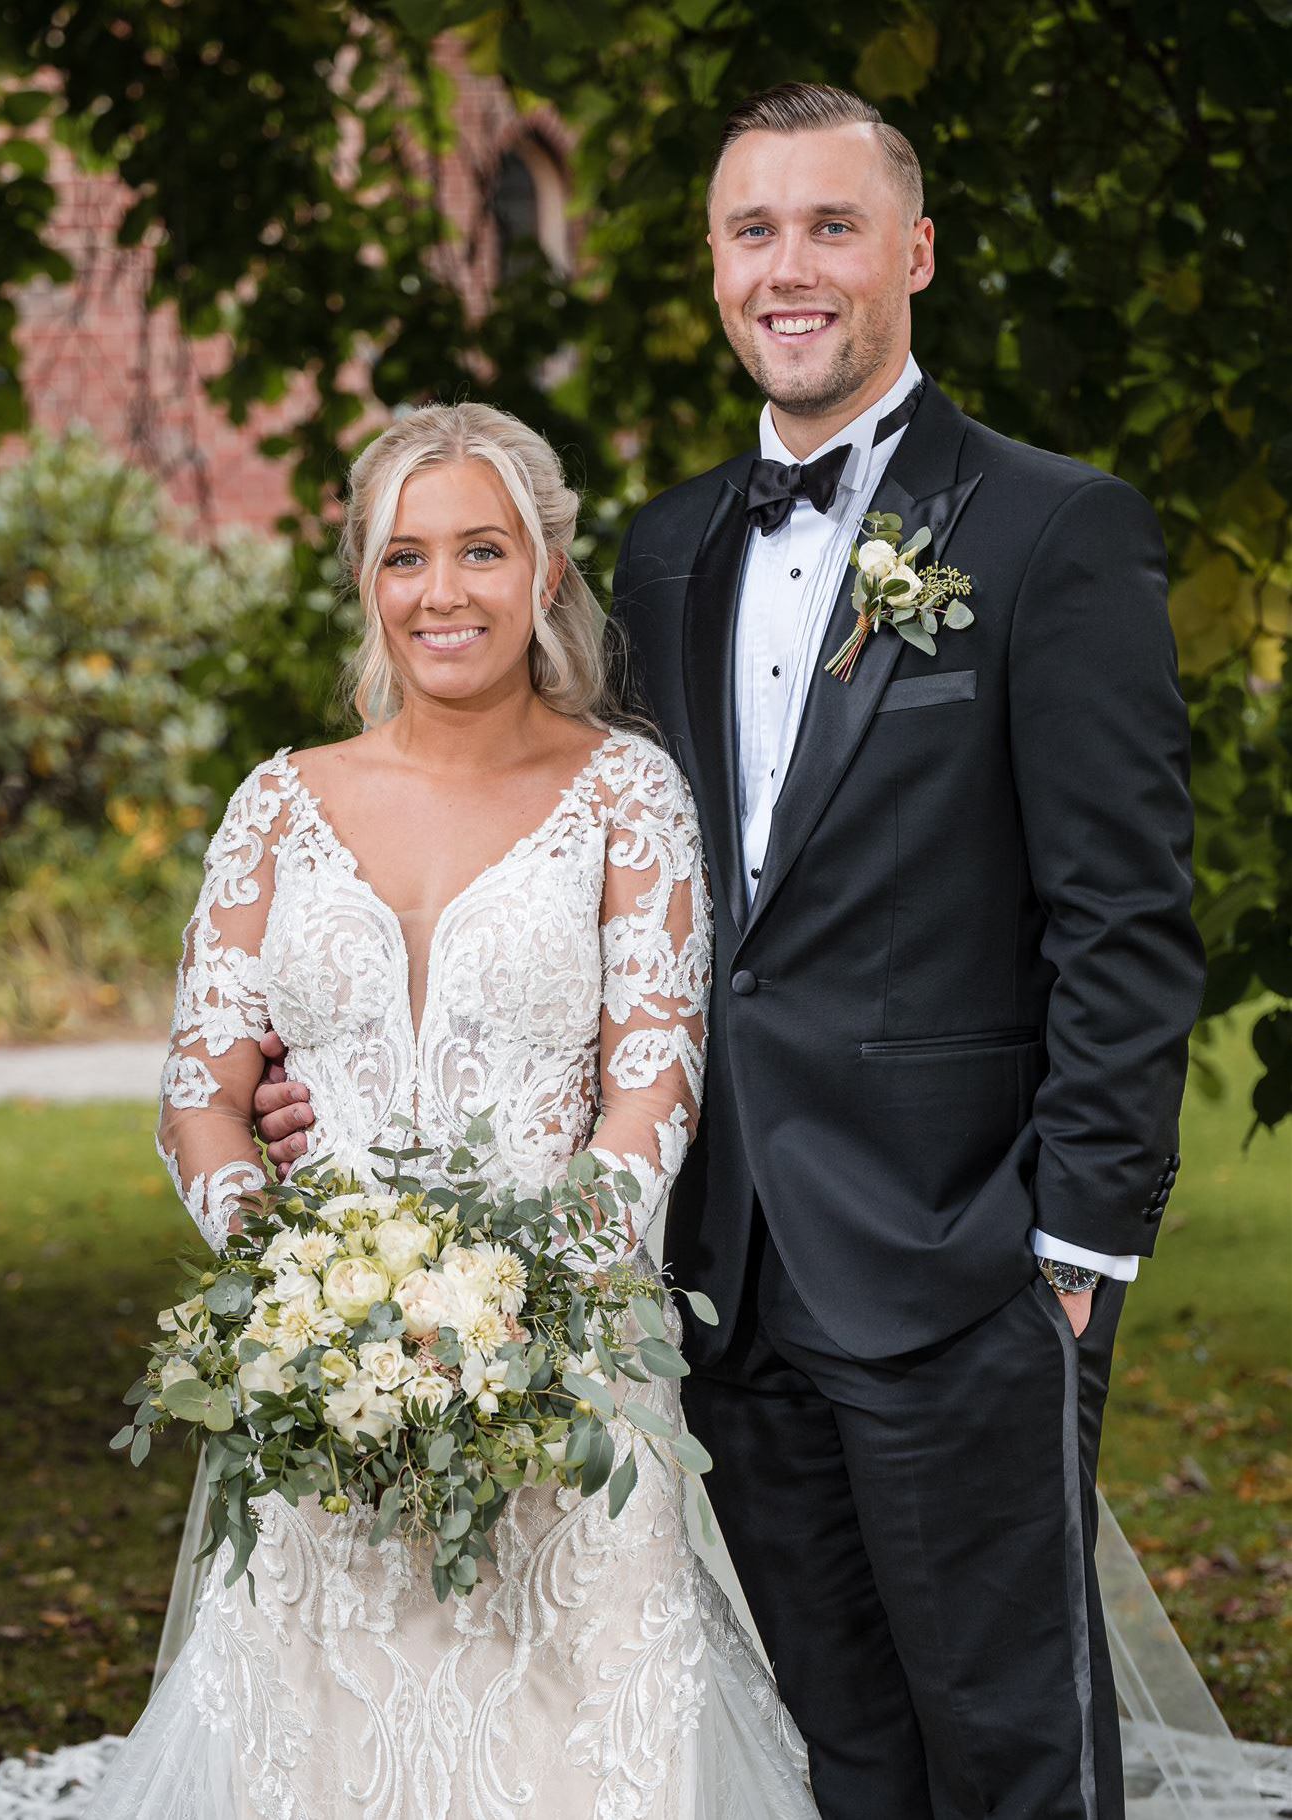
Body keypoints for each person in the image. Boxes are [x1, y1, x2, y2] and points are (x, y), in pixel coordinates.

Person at [252, 84, 1209, 1820]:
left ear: (913, 254)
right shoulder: (671, 548)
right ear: (712, 264)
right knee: (846, 1752)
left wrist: (1073, 1252)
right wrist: (354, 1080)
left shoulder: (1049, 529)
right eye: (752, 230)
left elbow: (1124, 919)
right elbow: (605, 883)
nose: (790, 267)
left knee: (1010, 1752)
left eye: (832, 225)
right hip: (726, 1273)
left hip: (964, 1263)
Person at [86, 403, 821, 1819]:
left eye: (481, 550)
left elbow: (652, 1086)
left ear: (546, 569)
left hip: (568, 1363)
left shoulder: (627, 794)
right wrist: (291, 1289)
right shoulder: (277, 806)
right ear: (367, 580)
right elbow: (202, 1094)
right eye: (405, 556)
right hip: (320, 1373)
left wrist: (520, 1311)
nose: (443, 593)